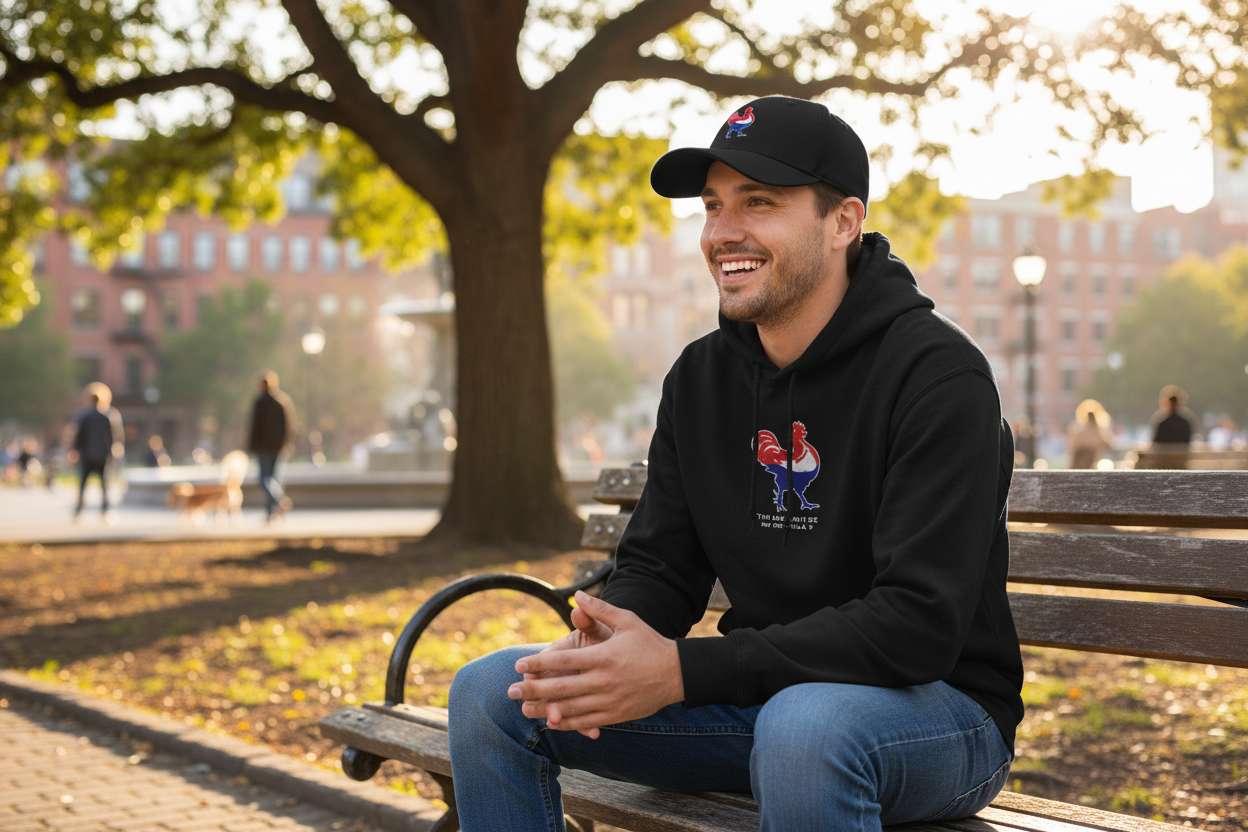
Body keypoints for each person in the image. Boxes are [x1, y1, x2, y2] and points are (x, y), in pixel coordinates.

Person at [448, 96, 1023, 832]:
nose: (723, 232)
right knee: (491, 694)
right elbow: (662, 565)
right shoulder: (701, 378)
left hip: (935, 714)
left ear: (843, 221)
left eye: (759, 203)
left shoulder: (937, 375)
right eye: (713, 205)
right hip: (764, 704)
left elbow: (917, 624)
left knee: (807, 728)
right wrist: (610, 639)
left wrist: (684, 672)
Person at [70, 382, 124, 523]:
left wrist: (74, 451)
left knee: (82, 486)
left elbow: (78, 436)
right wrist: (113, 454)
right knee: (105, 486)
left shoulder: (84, 415)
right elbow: (113, 437)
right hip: (103, 456)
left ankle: (78, 511)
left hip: (87, 455)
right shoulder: (110, 415)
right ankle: (106, 512)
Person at [247, 370, 295, 522]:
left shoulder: (260, 402)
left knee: (264, 479)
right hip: (278, 447)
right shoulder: (282, 401)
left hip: (264, 448)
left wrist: (252, 447)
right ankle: (271, 512)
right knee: (274, 479)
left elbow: (255, 427)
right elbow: (289, 425)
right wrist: (286, 443)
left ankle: (279, 501)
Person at [1066, 400, 1110, 469]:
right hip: (1089, 463)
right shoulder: (1098, 431)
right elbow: (1107, 442)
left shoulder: (1079, 431)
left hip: (1084, 463)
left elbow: (1073, 446)